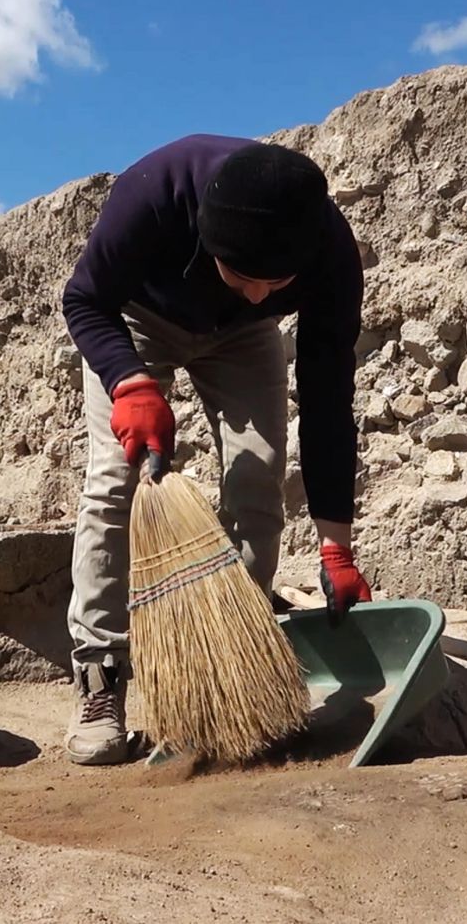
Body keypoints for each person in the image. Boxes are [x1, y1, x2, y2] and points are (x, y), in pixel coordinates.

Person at [60, 133, 372, 765]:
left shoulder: (329, 251)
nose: (260, 292)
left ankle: (225, 675)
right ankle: (101, 677)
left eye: (276, 281)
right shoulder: (153, 195)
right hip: (139, 318)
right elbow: (85, 300)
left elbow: (327, 396)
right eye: (243, 274)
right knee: (114, 484)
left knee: (259, 476)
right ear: (206, 238)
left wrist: (336, 544)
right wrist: (128, 380)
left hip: (241, 339)